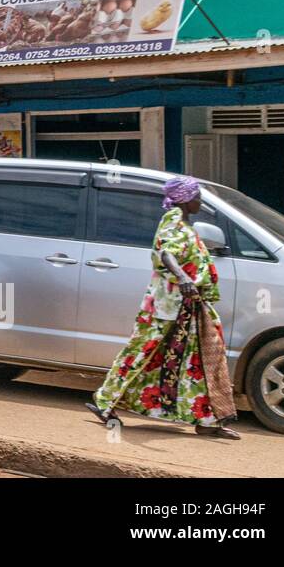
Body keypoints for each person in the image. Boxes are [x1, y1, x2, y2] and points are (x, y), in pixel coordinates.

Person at [86, 176, 240, 439]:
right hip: (167, 306)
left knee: (198, 360)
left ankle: (207, 419)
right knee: (142, 351)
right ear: (184, 199)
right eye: (196, 197)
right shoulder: (172, 221)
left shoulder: (185, 225)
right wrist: (182, 277)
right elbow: (166, 253)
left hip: (192, 304)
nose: (199, 202)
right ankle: (104, 402)